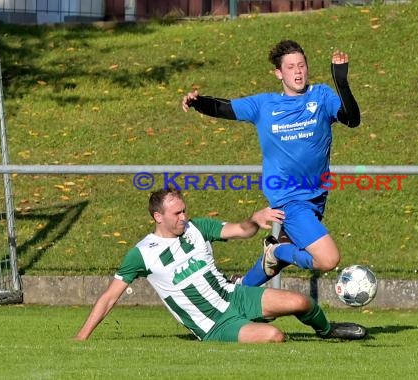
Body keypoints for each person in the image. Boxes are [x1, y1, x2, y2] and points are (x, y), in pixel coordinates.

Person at [75, 188, 367, 343]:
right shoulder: (142, 253)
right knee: (274, 337)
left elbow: (240, 230)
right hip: (214, 324)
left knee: (301, 302)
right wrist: (82, 336)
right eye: (176, 213)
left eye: (184, 209)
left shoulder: (197, 227)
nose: (183, 216)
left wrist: (254, 219)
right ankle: (253, 326)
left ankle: (328, 331)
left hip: (235, 296)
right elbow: (110, 296)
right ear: (157, 217)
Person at [182, 40, 361, 286]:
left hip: (317, 196)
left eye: (301, 65)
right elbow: (224, 108)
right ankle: (274, 250)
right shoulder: (264, 105)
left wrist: (340, 81)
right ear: (279, 73)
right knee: (327, 259)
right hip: (290, 199)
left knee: (286, 257)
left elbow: (352, 120)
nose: (297, 71)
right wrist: (197, 102)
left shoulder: (321, 96)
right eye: (290, 67)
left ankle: (238, 290)